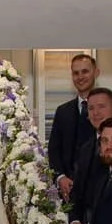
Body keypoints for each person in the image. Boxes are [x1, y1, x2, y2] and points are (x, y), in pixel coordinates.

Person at [47, 53, 100, 196]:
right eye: (76, 73)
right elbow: (54, 150)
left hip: (100, 188)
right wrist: (60, 177)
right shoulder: (62, 111)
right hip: (69, 191)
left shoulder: (111, 107)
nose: (80, 77)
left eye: (85, 71)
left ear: (96, 72)